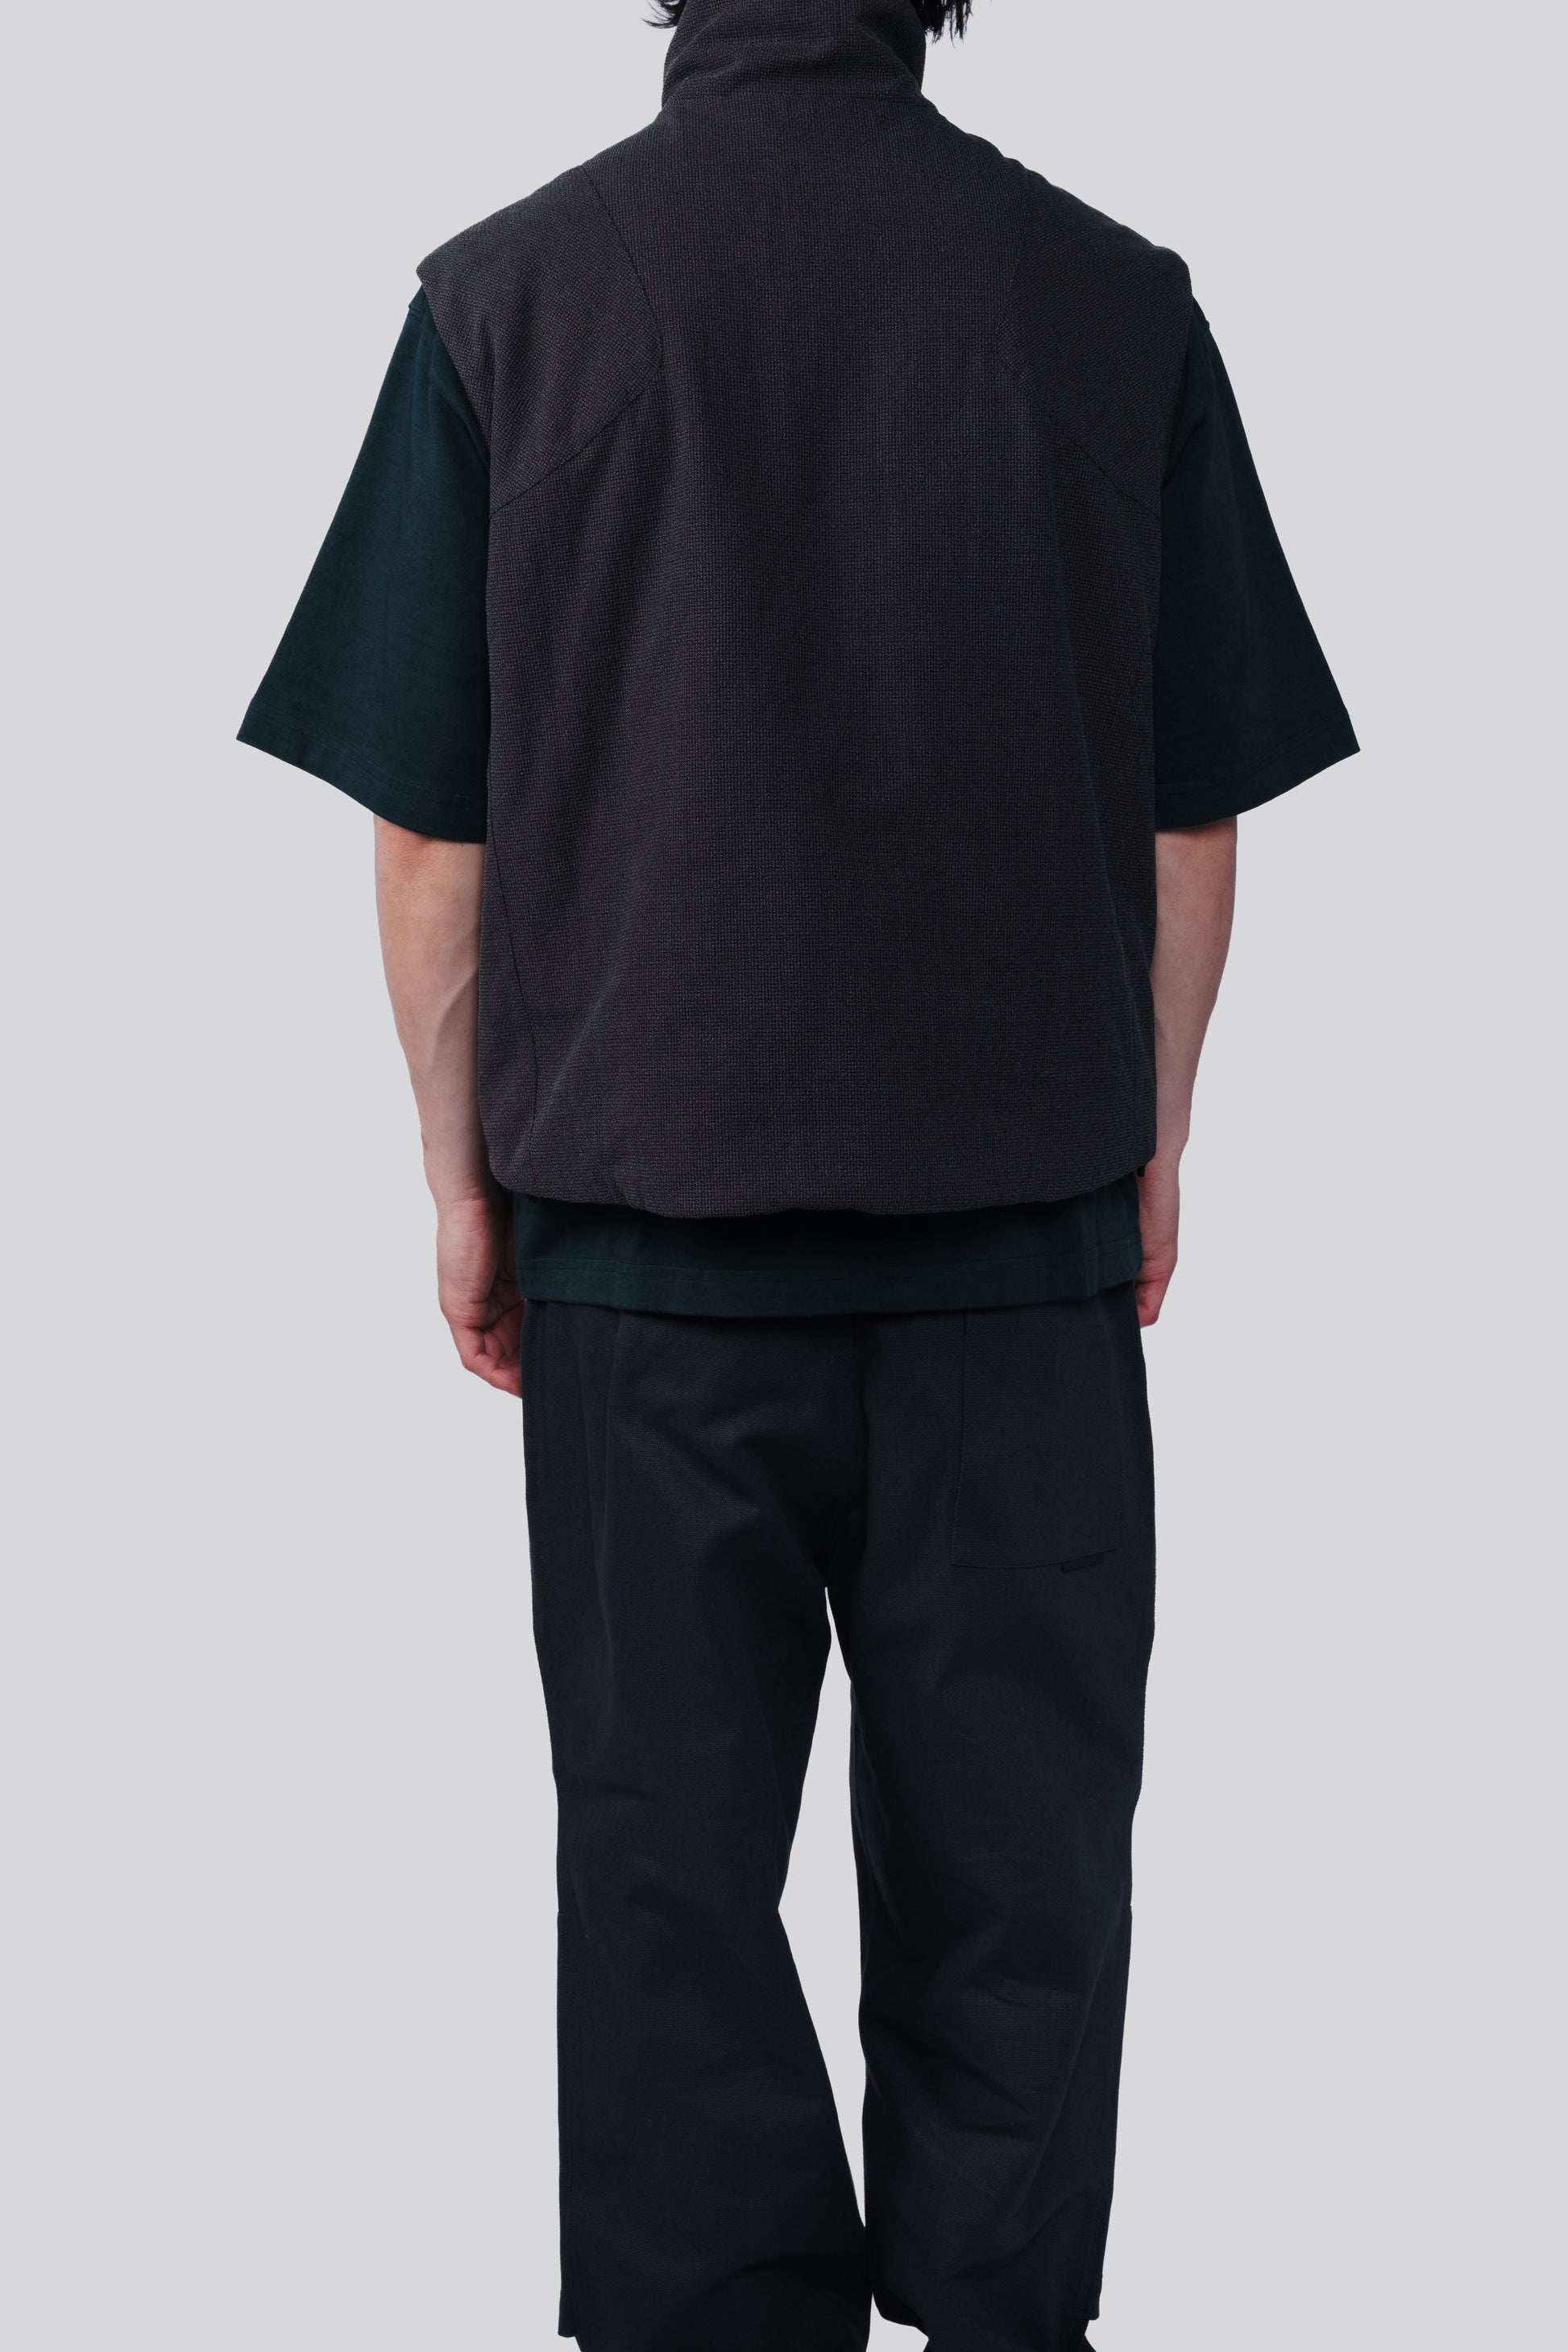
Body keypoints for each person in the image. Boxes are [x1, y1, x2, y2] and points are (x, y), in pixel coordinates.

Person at [239, 1, 1356, 2342]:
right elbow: (1193, 812)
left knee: (665, 1898)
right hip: (1019, 1273)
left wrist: (461, 1184)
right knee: (1023, 1891)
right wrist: (1155, 1139)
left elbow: (433, 838)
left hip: (646, 1281)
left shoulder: (506, 297)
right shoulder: (1111, 302)